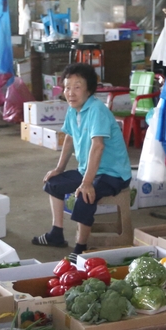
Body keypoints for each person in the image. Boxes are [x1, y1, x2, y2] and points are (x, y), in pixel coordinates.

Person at [33, 63, 132, 261]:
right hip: (89, 169)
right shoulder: (73, 110)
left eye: (77, 87)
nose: (71, 92)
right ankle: (56, 233)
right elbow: (69, 138)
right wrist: (59, 168)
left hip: (113, 174)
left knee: (85, 195)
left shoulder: (96, 110)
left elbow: (98, 146)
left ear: (89, 89)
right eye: (67, 87)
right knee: (53, 183)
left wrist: (86, 182)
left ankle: (81, 248)